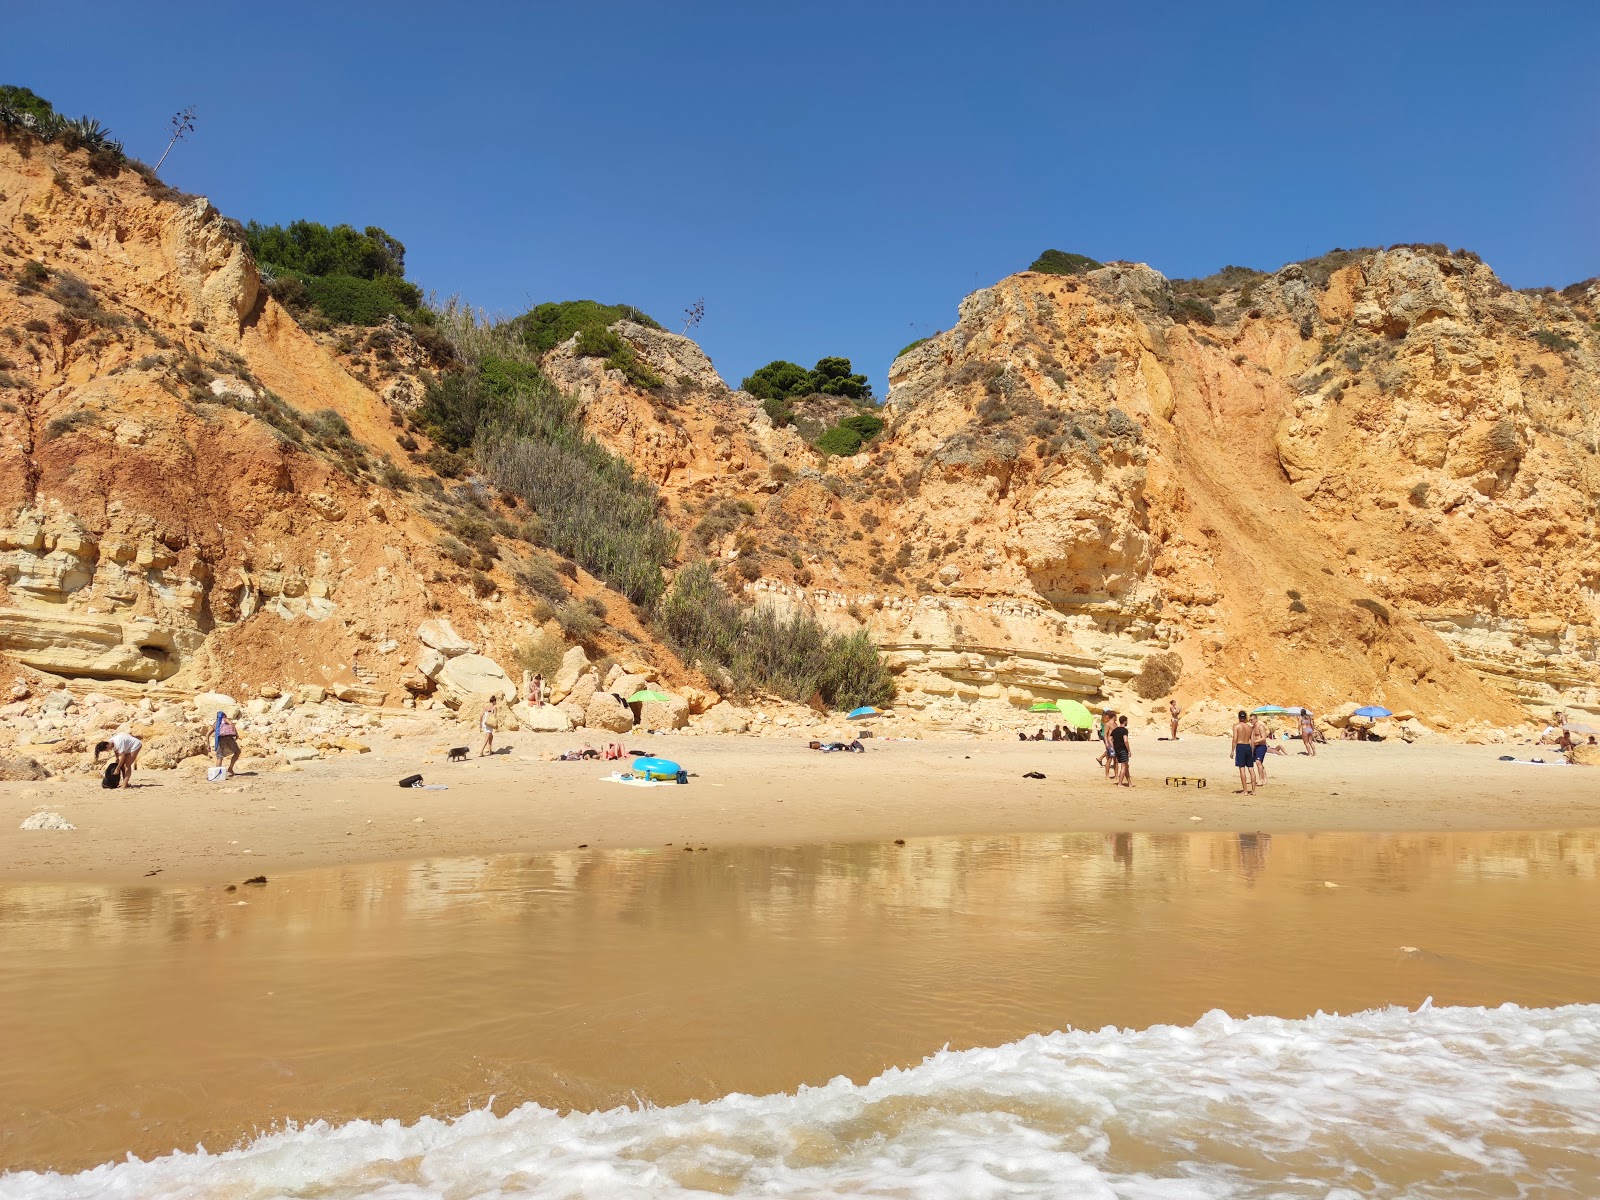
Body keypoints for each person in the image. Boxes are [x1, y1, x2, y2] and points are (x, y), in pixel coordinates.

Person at [1231, 710, 1256, 795]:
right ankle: (1253, 791)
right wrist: (1252, 751)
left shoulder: (1236, 726)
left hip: (1240, 746)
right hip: (1248, 746)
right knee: (1251, 769)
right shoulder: (1249, 727)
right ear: (1245, 718)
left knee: (1242, 769)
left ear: (1239, 717)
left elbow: (1234, 739)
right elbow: (1252, 741)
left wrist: (1232, 751)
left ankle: (1245, 790)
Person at [213, 710, 241, 778]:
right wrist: (236, 734)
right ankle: (230, 768)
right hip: (228, 739)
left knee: (219, 757)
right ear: (224, 715)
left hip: (220, 740)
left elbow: (208, 734)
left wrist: (208, 745)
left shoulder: (216, 723)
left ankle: (217, 775)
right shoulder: (225, 719)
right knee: (237, 752)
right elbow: (231, 724)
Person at [1111, 715, 1132, 787]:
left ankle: (1129, 783)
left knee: (1126, 765)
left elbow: (1110, 739)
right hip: (1123, 749)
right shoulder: (1124, 730)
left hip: (1117, 750)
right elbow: (1125, 741)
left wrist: (1113, 747)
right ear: (1125, 721)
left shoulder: (1115, 730)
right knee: (1124, 766)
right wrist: (1129, 751)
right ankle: (1120, 783)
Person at [1251, 714, 1270, 786]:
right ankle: (1265, 778)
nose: (1251, 721)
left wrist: (1255, 741)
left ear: (1256, 719)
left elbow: (1264, 738)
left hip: (1261, 746)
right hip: (1255, 747)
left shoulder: (1260, 727)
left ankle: (1260, 779)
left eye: (1252, 720)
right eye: (1250, 720)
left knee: (1258, 761)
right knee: (1260, 763)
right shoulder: (1252, 728)